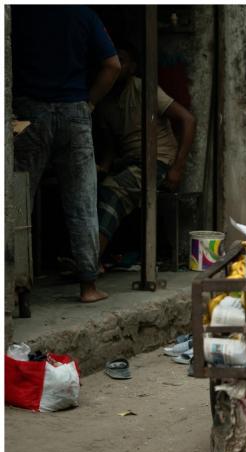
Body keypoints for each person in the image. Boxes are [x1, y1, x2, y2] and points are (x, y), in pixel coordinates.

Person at [11, 6, 121, 303]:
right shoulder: (82, 14)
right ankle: (88, 286)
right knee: (83, 201)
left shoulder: (20, 13)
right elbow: (112, 65)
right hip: (74, 112)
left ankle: (13, 285)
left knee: (18, 203)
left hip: (29, 112)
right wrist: (90, 103)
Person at [94, 43, 196, 262]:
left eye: (122, 60)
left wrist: (177, 167)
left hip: (158, 160)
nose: (116, 65)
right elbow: (111, 144)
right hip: (128, 162)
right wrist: (103, 166)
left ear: (132, 67)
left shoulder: (143, 89)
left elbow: (188, 120)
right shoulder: (102, 99)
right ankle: (105, 253)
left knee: (115, 189)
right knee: (93, 188)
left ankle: (90, 259)